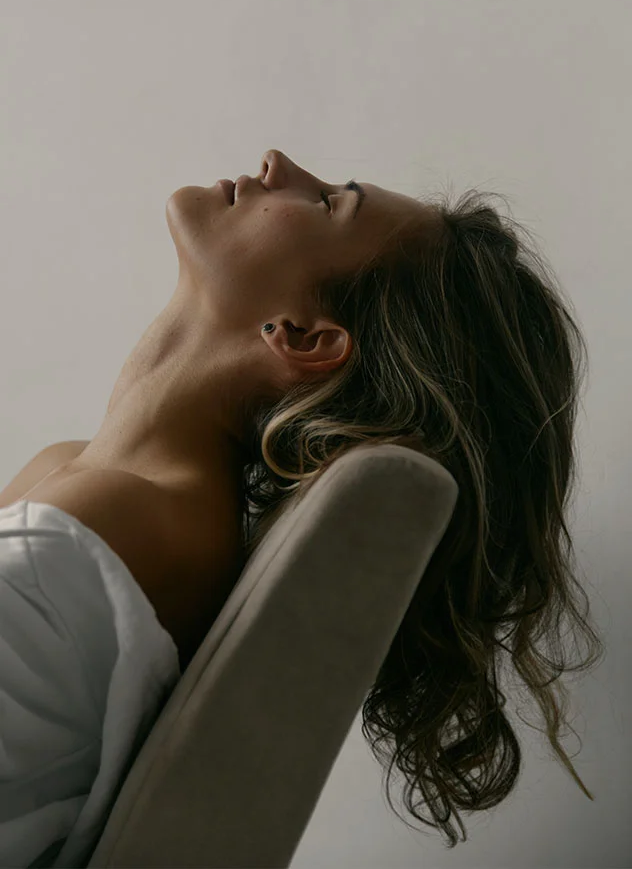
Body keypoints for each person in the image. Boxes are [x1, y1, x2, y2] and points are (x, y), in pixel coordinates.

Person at [0, 149, 604, 861]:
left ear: (303, 336)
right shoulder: (85, 479)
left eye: (326, 202)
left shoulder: (130, 528)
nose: (277, 162)